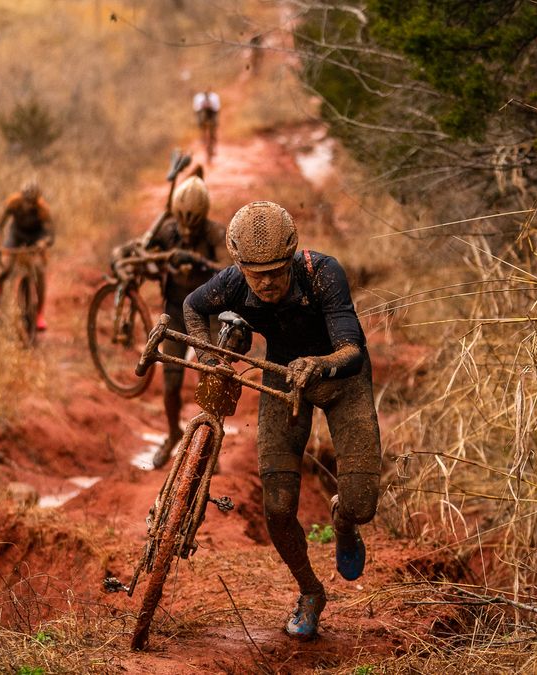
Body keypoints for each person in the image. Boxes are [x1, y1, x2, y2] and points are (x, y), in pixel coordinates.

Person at [182, 200, 381, 640]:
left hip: (342, 379)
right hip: (282, 379)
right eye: (256, 274)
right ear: (239, 265)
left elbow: (351, 350)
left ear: (292, 256)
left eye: (276, 270)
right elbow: (192, 307)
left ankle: (342, 521)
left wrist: (318, 362)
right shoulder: (231, 282)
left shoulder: (323, 272)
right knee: (277, 507)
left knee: (363, 504)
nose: (267, 282)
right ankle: (310, 591)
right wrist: (208, 354)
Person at [141, 175, 228, 468]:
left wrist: (201, 263)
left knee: (212, 376)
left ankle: (208, 442)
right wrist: (165, 262)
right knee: (171, 382)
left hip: (208, 313)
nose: (188, 229)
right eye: (182, 222)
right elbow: (146, 259)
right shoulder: (166, 230)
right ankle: (172, 433)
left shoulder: (216, 233)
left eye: (194, 224)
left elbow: (229, 272)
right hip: (175, 311)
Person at [0, 180, 54, 330]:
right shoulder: (13, 204)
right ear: (21, 197)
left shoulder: (43, 210)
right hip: (16, 235)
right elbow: (0, 226)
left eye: (32, 202)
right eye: (26, 200)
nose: (28, 205)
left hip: (36, 237)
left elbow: (51, 234)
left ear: (37, 201)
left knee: (39, 270)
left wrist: (44, 243)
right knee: (7, 266)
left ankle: (39, 315)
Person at [192, 89, 220, 159]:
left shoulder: (214, 97)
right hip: (203, 115)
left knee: (212, 130)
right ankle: (204, 139)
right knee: (203, 126)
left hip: (212, 114)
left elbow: (217, 109)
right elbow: (196, 110)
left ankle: (212, 142)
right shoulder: (198, 97)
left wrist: (211, 107)